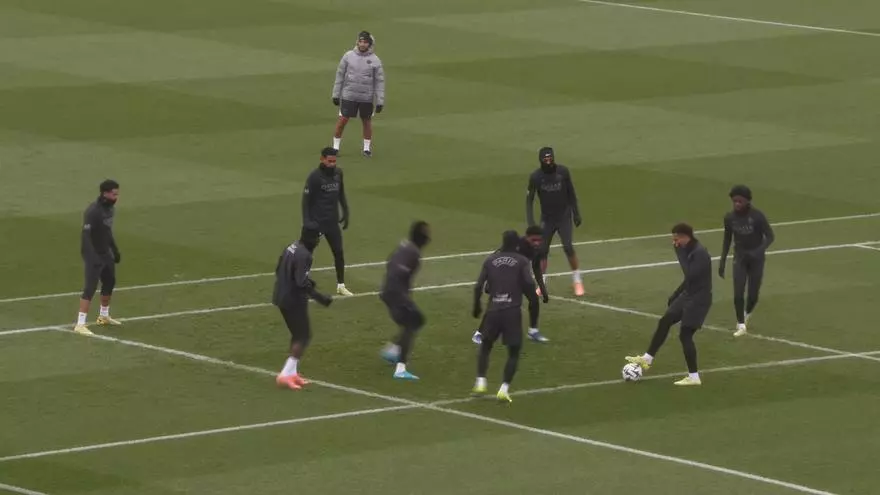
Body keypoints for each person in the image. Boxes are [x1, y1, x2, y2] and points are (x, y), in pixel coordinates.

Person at [625, 223, 712, 386]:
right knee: (665, 321)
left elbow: (691, 277)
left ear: (686, 236)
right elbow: (688, 276)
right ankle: (647, 359)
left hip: (699, 298)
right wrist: (677, 294)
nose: (674, 241)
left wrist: (677, 293)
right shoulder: (685, 249)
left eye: (677, 238)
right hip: (689, 294)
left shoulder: (699, 253)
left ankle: (694, 377)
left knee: (685, 334)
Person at [472, 230, 540, 402]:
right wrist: (533, 301)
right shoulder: (522, 261)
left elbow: (479, 286)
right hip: (512, 311)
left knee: (486, 346)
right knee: (514, 352)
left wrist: (476, 307)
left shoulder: (489, 260)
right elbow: (529, 285)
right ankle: (503, 389)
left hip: (493, 310)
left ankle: (480, 382)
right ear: (517, 244)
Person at [272, 227, 334, 390]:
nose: (318, 242)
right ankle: (285, 374)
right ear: (312, 239)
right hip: (293, 300)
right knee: (304, 336)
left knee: (297, 334)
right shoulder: (305, 255)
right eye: (317, 239)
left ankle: (292, 373)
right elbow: (301, 283)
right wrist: (320, 297)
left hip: (280, 296)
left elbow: (279, 269)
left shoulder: (291, 246)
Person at [472, 225, 550, 345]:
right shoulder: (515, 246)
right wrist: (489, 282)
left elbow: (536, 267)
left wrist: (542, 288)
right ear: (526, 237)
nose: (537, 243)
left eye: (539, 240)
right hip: (504, 277)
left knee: (534, 299)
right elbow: (495, 259)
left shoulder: (538, 248)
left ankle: (533, 331)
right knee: (498, 303)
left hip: (520, 276)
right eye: (534, 240)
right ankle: (479, 333)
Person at [526, 147, 584, 296]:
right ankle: (542, 283)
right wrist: (531, 221)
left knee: (568, 247)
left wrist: (576, 213)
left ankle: (577, 280)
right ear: (540, 160)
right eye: (545, 159)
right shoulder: (536, 177)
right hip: (547, 218)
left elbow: (571, 192)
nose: (548, 161)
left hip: (564, 216)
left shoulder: (563, 172)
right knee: (542, 250)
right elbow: (529, 199)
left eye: (550, 158)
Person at [718, 185, 775, 337]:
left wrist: (759, 251)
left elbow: (770, 236)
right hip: (740, 258)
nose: (737, 204)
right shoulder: (729, 218)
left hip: (756, 259)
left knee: (753, 294)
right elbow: (727, 239)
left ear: (747, 201)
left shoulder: (757, 216)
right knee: (738, 291)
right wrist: (722, 261)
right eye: (734, 201)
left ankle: (747, 313)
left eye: (740, 201)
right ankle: (741, 324)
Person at [379, 221, 431, 380]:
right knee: (413, 322)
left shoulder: (405, 246)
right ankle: (400, 368)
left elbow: (390, 262)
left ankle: (392, 350)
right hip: (396, 293)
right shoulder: (413, 253)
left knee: (413, 321)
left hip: (390, 291)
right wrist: (403, 297)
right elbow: (397, 272)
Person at [302, 147, 352, 296]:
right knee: (305, 255)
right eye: (329, 161)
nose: (332, 164)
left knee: (338, 252)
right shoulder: (314, 177)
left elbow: (341, 193)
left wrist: (346, 210)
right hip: (316, 223)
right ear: (322, 159)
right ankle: (300, 284)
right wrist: (307, 222)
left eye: (334, 161)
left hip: (332, 222)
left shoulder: (338, 174)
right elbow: (305, 201)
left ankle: (341, 285)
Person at [74, 179, 122, 336]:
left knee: (109, 282)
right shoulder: (93, 211)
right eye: (114, 194)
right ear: (105, 193)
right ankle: (80, 324)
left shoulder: (110, 210)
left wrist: (114, 249)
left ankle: (103, 315)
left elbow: (107, 231)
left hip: (105, 253)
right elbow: (86, 235)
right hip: (93, 253)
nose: (117, 196)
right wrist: (91, 256)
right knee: (90, 287)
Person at [331, 30, 385, 157]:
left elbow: (379, 82)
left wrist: (380, 101)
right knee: (343, 120)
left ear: (370, 44)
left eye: (365, 42)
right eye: (360, 41)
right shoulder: (348, 56)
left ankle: (366, 148)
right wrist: (335, 94)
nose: (362, 44)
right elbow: (340, 76)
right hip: (349, 95)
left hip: (366, 97)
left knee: (366, 121)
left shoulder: (375, 60)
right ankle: (335, 147)